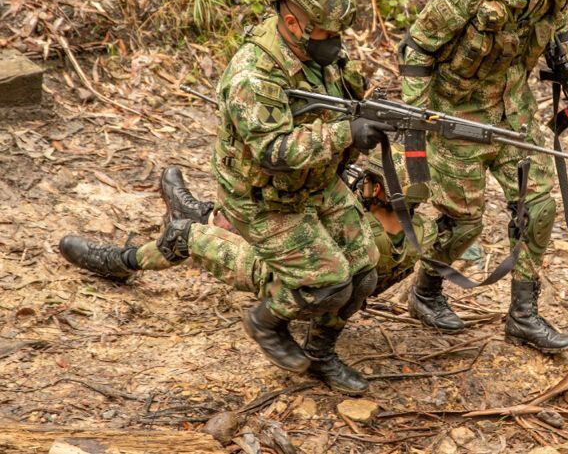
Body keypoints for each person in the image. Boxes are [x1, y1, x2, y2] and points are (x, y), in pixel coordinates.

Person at [62, 0, 391, 390]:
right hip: (264, 199)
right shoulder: (253, 75)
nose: (337, 44)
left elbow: (338, 106)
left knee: (365, 270)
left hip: (314, 185)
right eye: (329, 34)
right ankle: (259, 315)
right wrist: (343, 133)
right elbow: (272, 150)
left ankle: (320, 355)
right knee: (327, 286)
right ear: (293, 22)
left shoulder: (317, 55)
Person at [397, 0, 568, 353]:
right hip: (455, 118)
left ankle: (523, 316)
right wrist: (419, 121)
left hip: (514, 112)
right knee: (463, 225)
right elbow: (416, 52)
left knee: (539, 208)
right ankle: (426, 292)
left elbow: (558, 40)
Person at [59, 155, 437, 395]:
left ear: (377, 190)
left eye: (369, 180)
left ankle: (122, 259)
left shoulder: (357, 227)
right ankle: (195, 210)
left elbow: (286, 234)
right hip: (325, 293)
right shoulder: (422, 232)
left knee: (191, 238)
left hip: (286, 282)